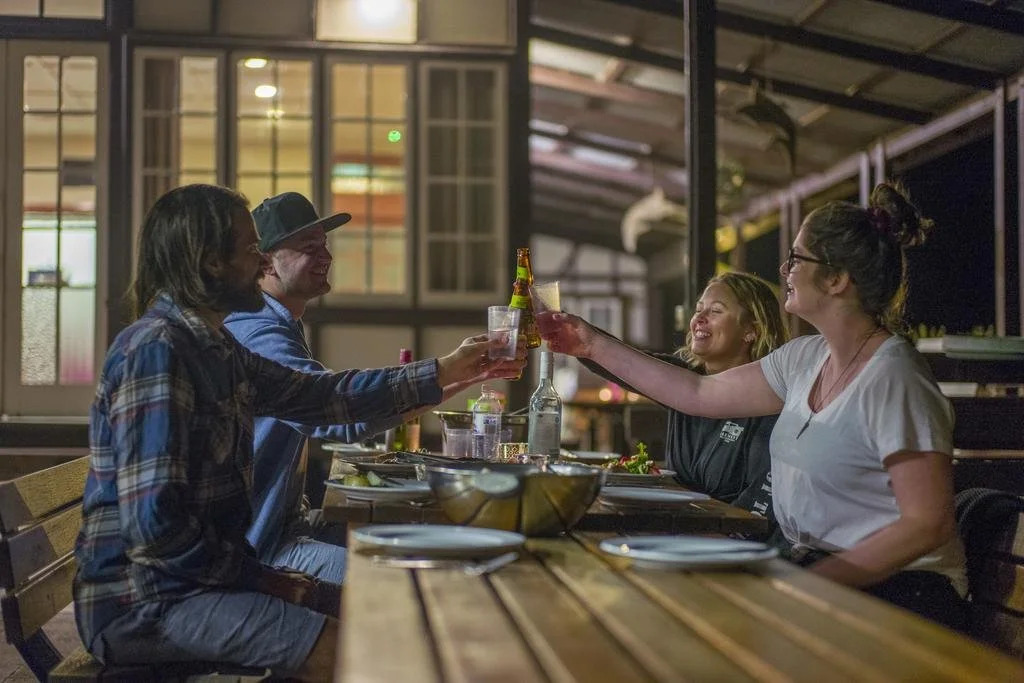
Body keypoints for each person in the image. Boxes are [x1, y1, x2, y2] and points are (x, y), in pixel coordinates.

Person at [73, 184, 525, 679]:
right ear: (211, 262)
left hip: (195, 584)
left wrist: (446, 369)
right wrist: (260, 579)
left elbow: (321, 397)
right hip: (145, 603)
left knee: (385, 616)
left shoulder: (215, 346)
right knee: (369, 651)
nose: (260, 261)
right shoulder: (159, 351)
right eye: (251, 249)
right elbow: (156, 530)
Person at [537, 182, 967, 631]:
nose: (784, 269)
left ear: (836, 280)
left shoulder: (895, 378)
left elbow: (927, 525)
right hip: (819, 569)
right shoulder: (804, 358)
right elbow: (696, 392)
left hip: (902, 589)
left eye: (797, 259)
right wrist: (589, 343)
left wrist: (807, 585)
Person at [224, 192, 516, 581]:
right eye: (310, 248)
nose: (327, 257)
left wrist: (464, 376)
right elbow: (334, 411)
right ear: (266, 263)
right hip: (264, 548)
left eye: (325, 245)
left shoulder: (277, 323)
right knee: (398, 579)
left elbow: (352, 414)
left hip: (289, 526)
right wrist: (445, 368)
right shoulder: (260, 332)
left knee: (422, 545)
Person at [579, 272, 788, 520]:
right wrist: (572, 335)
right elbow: (622, 362)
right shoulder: (681, 379)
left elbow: (760, 507)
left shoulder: (769, 399)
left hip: (726, 536)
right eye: (698, 309)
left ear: (751, 331)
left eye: (716, 311)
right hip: (678, 524)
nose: (699, 318)